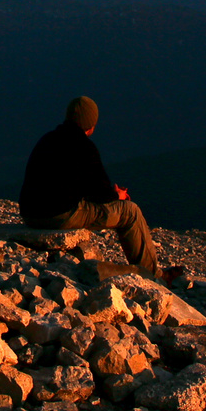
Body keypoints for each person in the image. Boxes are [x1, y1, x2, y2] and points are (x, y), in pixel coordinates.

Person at [18, 96, 159, 278]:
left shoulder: (47, 139)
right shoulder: (84, 147)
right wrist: (118, 195)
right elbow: (100, 193)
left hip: (30, 214)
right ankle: (152, 275)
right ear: (91, 124)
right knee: (130, 212)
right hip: (59, 216)